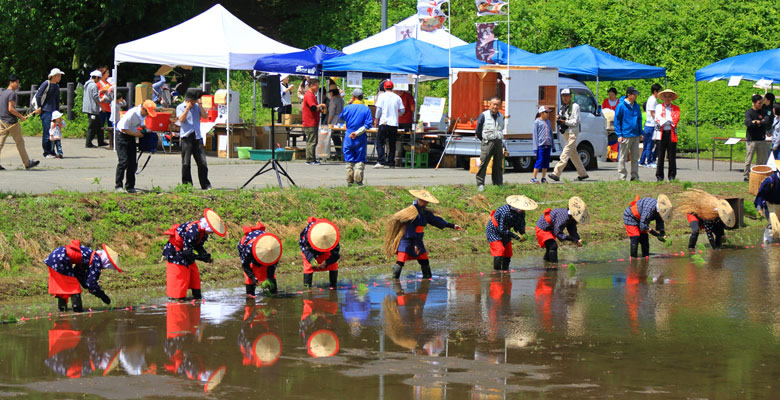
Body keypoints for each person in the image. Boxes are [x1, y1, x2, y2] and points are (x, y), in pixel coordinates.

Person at [383, 189, 463, 279]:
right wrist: (415, 244)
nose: (424, 202)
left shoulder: (424, 212)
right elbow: (410, 230)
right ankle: (395, 280)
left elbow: (435, 220)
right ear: (418, 199)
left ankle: (427, 280)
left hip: (418, 240)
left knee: (424, 261)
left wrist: (452, 225)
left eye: (426, 201)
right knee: (401, 261)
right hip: (407, 240)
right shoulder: (411, 212)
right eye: (422, 200)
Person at [162, 208, 227, 300]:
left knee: (194, 274)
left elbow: (198, 245)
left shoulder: (203, 232)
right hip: (176, 252)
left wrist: (204, 254)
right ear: (207, 227)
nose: (211, 233)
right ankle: (178, 299)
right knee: (181, 276)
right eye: (211, 231)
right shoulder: (193, 231)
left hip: (185, 250)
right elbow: (187, 252)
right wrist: (200, 258)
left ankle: (197, 297)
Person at [44, 240, 121, 312]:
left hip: (55, 255)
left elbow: (78, 272)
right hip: (61, 258)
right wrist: (101, 295)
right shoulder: (96, 260)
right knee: (73, 286)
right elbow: (91, 283)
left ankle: (62, 309)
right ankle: (77, 309)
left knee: (64, 284)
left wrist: (85, 284)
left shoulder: (90, 254)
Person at [115, 99, 156, 193]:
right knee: (123, 161)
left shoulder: (142, 114)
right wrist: (136, 134)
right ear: (143, 108)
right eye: (147, 112)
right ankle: (118, 186)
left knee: (133, 163)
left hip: (131, 136)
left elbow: (141, 123)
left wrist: (145, 128)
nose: (147, 114)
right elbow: (123, 129)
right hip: (122, 136)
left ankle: (130, 186)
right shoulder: (132, 114)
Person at [486, 195, 537, 271]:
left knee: (508, 252)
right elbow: (502, 229)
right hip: (494, 230)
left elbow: (521, 224)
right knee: (499, 250)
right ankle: (497, 273)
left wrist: (523, 233)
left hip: (506, 230)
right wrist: (515, 236)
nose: (523, 210)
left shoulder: (521, 213)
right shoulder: (505, 211)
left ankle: (505, 270)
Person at [0, 74, 39, 170]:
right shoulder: (11, 94)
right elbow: (11, 109)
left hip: (2, 121)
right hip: (11, 122)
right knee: (20, 142)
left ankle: (27, 162)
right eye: (16, 82)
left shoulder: (3, 93)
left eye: (18, 82)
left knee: (0, 143)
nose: (18, 84)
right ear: (11, 82)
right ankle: (27, 163)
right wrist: (21, 116)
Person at [549, 89, 588, 182]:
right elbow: (561, 117)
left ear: (571, 96)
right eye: (563, 96)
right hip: (566, 132)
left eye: (567, 95)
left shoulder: (575, 106)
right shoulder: (563, 107)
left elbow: (576, 121)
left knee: (565, 152)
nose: (565, 98)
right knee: (573, 154)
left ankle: (556, 173)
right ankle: (583, 174)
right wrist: (559, 118)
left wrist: (564, 121)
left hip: (572, 133)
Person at [535, 197, 588, 263]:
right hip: (543, 227)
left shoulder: (571, 219)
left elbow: (572, 230)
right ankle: (553, 266)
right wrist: (572, 239)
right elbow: (558, 233)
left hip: (551, 228)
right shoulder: (563, 217)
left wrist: (577, 239)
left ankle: (546, 263)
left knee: (550, 247)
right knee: (553, 246)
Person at [176, 88, 211, 190]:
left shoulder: (197, 107)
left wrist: (200, 105)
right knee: (186, 163)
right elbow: (181, 120)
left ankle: (205, 184)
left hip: (197, 137)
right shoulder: (180, 107)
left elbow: (205, 116)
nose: (196, 101)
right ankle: (187, 185)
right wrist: (187, 109)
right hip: (186, 137)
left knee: (202, 162)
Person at [339, 89, 373, 187]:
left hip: (348, 136)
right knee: (360, 159)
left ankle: (349, 181)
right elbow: (368, 124)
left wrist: (348, 104)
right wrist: (357, 133)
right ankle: (358, 181)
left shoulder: (348, 108)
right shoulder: (366, 109)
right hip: (360, 136)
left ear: (353, 97)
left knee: (349, 159)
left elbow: (341, 116)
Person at [237, 221, 281, 297]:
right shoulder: (248, 249)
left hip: (264, 244)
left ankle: (273, 292)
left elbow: (273, 266)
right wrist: (253, 277)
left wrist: (269, 278)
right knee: (250, 277)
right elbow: (245, 265)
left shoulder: (274, 248)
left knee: (270, 276)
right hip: (248, 250)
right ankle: (250, 294)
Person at [299, 217, 340, 288]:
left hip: (326, 251)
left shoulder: (332, 236)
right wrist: (312, 261)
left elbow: (336, 254)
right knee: (308, 266)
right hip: (311, 250)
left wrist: (327, 262)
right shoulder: (308, 234)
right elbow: (306, 250)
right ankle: (307, 288)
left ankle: (333, 285)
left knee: (333, 265)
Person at [475, 97, 505, 190]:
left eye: (497, 105)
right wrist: (483, 140)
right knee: (484, 163)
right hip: (487, 142)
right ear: (490, 105)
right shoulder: (484, 115)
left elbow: (501, 128)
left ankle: (498, 183)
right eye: (494, 104)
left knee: (498, 164)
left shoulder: (501, 116)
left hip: (498, 142)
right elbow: (478, 130)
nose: (495, 106)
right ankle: (480, 184)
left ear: (500, 106)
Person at [614, 87, 643, 181]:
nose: (636, 96)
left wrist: (640, 133)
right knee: (623, 157)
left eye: (636, 94)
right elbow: (617, 121)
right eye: (634, 94)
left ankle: (634, 176)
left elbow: (639, 119)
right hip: (625, 134)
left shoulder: (636, 106)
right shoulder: (621, 106)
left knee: (635, 157)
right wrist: (619, 134)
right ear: (628, 95)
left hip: (635, 134)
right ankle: (622, 176)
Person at [374, 80, 404, 168]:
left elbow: (378, 110)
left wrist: (376, 120)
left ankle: (381, 161)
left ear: (384, 87)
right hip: (394, 124)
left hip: (383, 122)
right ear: (393, 87)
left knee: (380, 142)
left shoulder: (381, 96)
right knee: (392, 144)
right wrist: (396, 115)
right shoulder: (397, 97)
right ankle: (391, 162)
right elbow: (402, 110)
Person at [35, 68, 64, 158]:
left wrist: (58, 113)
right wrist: (39, 107)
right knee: (47, 132)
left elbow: (57, 100)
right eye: (58, 76)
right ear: (53, 76)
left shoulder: (57, 86)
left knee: (55, 132)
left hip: (54, 112)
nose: (60, 78)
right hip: (46, 111)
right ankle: (46, 152)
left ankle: (52, 151)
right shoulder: (46, 84)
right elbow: (38, 95)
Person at [654, 89, 681, 182]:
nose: (667, 98)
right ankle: (659, 176)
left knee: (672, 155)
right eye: (665, 96)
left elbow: (675, 119)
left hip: (671, 133)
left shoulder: (676, 108)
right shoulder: (658, 107)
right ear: (662, 98)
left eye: (669, 96)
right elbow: (657, 118)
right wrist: (666, 121)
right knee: (660, 155)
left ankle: (672, 176)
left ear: (672, 98)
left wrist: (666, 120)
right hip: (661, 133)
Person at [744, 94, 771, 182]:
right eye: (759, 103)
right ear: (754, 103)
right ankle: (746, 176)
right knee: (748, 160)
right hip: (751, 139)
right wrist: (759, 122)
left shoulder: (763, 112)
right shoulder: (749, 112)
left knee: (761, 160)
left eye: (761, 103)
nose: (761, 105)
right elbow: (748, 123)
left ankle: (758, 176)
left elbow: (767, 121)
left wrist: (757, 122)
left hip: (761, 139)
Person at [754, 160, 780, 243]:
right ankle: (767, 244)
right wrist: (759, 208)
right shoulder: (770, 181)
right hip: (771, 206)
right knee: (772, 225)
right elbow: (761, 195)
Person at [302, 78, 325, 165]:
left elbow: (314, 108)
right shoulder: (309, 95)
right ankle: (310, 159)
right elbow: (313, 107)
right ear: (311, 85)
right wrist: (321, 105)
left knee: (312, 141)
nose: (318, 87)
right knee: (312, 141)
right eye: (316, 85)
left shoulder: (311, 95)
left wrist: (319, 109)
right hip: (310, 122)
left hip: (313, 121)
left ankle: (311, 158)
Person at [639, 83, 662, 168]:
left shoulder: (651, 99)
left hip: (648, 125)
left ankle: (642, 160)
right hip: (651, 125)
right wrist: (659, 121)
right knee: (649, 144)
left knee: (647, 144)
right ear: (655, 91)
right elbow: (652, 113)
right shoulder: (653, 100)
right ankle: (649, 161)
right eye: (659, 91)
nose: (660, 93)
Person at [531, 106, 553, 183]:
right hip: (541, 145)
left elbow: (551, 133)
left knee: (546, 162)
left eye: (548, 112)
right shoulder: (537, 122)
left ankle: (543, 178)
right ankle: (533, 177)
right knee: (539, 161)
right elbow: (535, 135)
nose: (548, 114)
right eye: (546, 112)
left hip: (548, 145)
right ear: (541, 113)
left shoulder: (548, 122)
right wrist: (535, 147)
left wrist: (552, 145)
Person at [83, 70, 105, 148]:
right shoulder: (93, 85)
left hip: (88, 107)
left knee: (99, 125)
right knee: (92, 126)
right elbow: (95, 97)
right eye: (98, 78)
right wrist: (101, 106)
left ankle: (101, 141)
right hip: (92, 109)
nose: (99, 80)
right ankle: (88, 143)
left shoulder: (87, 84)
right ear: (95, 77)